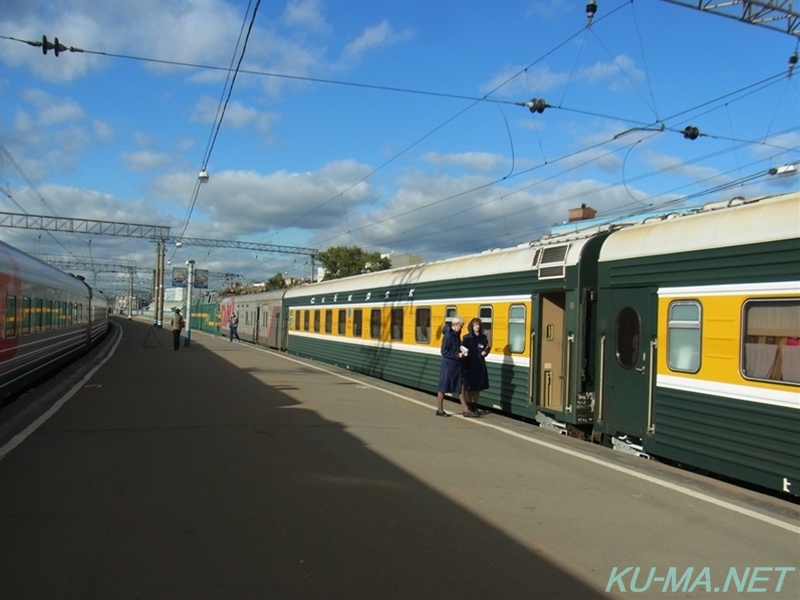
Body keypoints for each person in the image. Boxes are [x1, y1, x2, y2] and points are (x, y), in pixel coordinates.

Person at [436, 315, 478, 418]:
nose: (462, 328)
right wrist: (457, 355)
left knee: (460, 387)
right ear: (455, 325)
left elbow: (456, 346)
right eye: (461, 326)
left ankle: (466, 410)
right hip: (449, 365)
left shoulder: (456, 334)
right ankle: (439, 409)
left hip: (457, 365)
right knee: (443, 387)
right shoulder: (448, 335)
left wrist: (462, 349)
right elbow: (444, 351)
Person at [461, 317, 491, 414]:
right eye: (475, 325)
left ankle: (475, 406)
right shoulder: (466, 338)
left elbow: (488, 347)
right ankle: (470, 405)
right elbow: (462, 348)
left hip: (479, 365)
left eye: (478, 325)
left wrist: (485, 352)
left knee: (477, 388)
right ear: (472, 327)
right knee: (469, 388)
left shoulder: (483, 338)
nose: (477, 327)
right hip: (469, 365)